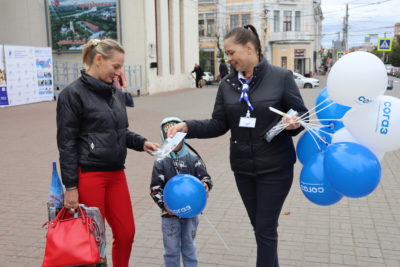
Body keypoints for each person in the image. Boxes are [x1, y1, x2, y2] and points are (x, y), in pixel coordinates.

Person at [167, 25, 308, 267]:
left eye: (232, 53)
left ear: (250, 48)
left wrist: (294, 122)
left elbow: (302, 115)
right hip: (243, 169)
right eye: (227, 54)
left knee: (264, 228)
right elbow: (218, 124)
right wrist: (187, 126)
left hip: (275, 167)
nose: (228, 59)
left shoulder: (281, 77)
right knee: (261, 228)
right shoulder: (227, 84)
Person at [56, 38, 159, 267]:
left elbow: (120, 131)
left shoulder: (115, 94)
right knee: (93, 238)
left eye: (121, 66)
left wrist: (142, 143)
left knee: (126, 234)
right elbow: (67, 144)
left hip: (116, 174)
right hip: (89, 176)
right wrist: (71, 187)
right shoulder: (72, 94)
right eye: (116, 66)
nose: (119, 72)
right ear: (99, 60)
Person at [150, 117, 212, 267]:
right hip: (169, 216)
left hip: (191, 214)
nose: (175, 141)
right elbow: (155, 188)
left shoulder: (193, 158)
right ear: (164, 139)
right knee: (171, 251)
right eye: (170, 138)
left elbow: (205, 177)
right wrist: (164, 205)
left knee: (189, 248)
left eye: (178, 137)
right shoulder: (161, 161)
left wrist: (205, 184)